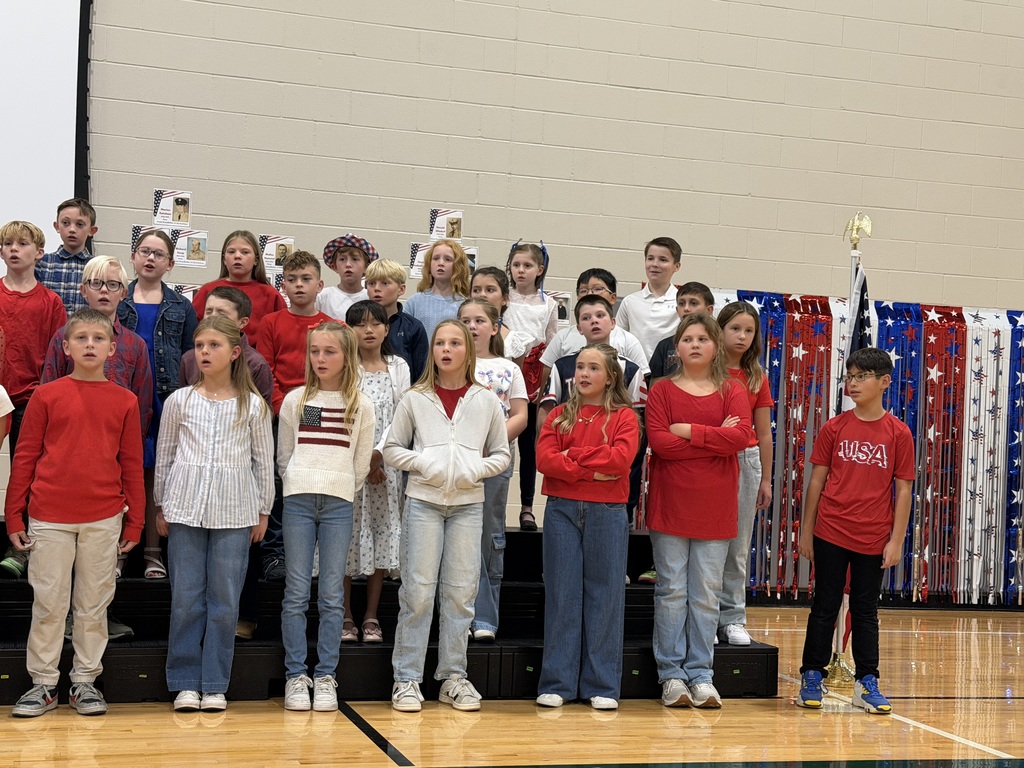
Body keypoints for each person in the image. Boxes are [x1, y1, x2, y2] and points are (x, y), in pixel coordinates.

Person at [7, 309, 144, 718]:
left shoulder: (126, 400)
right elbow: (25, 456)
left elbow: (132, 464)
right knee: (49, 604)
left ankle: (84, 681)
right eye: (80, 338)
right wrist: (14, 514)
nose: (89, 345)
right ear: (65, 347)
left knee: (93, 604)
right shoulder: (47, 396)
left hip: (103, 517)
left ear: (111, 348)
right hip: (49, 516)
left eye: (97, 339)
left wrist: (134, 519)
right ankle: (44, 684)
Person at [383, 320, 510, 713]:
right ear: (433, 351)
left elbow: (502, 456)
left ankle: (453, 677)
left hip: (468, 507)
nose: (447, 349)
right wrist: (425, 463)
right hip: (423, 502)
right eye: (440, 343)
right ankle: (406, 679)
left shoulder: (486, 400)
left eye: (455, 343)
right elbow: (391, 449)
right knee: (418, 593)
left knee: (460, 594)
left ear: (467, 351)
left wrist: (474, 470)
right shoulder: (415, 398)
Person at [155, 316, 274, 713]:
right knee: (187, 600)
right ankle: (186, 682)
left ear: (235, 352)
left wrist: (262, 511)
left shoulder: (253, 405)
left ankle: (215, 682)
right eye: (200, 345)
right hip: (185, 509)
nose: (204, 352)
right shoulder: (179, 401)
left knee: (225, 602)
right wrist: (161, 504)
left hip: (236, 513)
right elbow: (166, 456)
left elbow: (263, 462)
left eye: (214, 346)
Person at [797, 347, 914, 714]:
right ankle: (812, 675)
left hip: (874, 536)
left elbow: (904, 489)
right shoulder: (835, 427)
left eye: (861, 376)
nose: (852, 382)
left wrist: (896, 540)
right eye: (849, 376)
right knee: (824, 605)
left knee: (865, 610)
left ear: (884, 382)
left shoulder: (899, 433)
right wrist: (806, 530)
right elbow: (816, 481)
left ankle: (867, 681)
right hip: (831, 530)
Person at [645, 313, 752, 709]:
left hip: (717, 507)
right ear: (677, 347)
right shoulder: (661, 392)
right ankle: (671, 675)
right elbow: (659, 442)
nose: (694, 344)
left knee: (706, 593)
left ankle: (702, 674)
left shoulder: (733, 389)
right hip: (671, 504)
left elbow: (741, 437)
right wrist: (715, 438)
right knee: (672, 591)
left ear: (714, 347)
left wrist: (688, 430)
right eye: (687, 338)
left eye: (702, 339)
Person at [534, 343, 639, 710]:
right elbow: (545, 460)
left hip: (607, 511)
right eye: (579, 367)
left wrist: (572, 458)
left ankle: (602, 685)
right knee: (563, 595)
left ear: (610, 377)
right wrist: (593, 469)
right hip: (561, 509)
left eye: (593, 368)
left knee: (605, 595)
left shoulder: (625, 417)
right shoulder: (558, 415)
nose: (582, 374)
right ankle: (557, 682)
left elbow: (621, 460)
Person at [278, 322, 375, 712]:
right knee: (296, 593)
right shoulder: (299, 400)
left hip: (338, 503)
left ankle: (326, 675)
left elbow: (362, 461)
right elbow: (286, 454)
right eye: (315, 351)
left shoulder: (360, 405)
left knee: (332, 595)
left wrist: (342, 488)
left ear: (346, 356)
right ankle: (296, 676)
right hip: (299, 500)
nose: (320, 359)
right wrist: (297, 481)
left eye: (329, 352)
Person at [117, 230, 199, 579]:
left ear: (170, 263)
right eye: (144, 251)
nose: (150, 258)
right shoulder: (119, 301)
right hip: (125, 396)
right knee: (121, 473)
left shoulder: (181, 305)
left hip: (165, 398)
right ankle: (118, 552)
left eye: (158, 254)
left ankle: (153, 552)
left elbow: (191, 354)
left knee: (156, 476)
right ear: (134, 257)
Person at [255, 251, 333, 584]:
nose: (299, 286)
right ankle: (274, 554)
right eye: (292, 279)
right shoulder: (271, 322)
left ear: (319, 284)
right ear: (282, 284)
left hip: (316, 412)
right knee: (277, 482)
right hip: (278, 412)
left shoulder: (333, 327)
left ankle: (310, 555)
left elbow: (335, 376)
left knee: (310, 482)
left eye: (305, 279)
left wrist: (309, 413)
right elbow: (266, 369)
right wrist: (282, 410)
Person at [458, 298, 528, 641]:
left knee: (489, 535)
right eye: (465, 321)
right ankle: (460, 614)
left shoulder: (508, 368)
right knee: (460, 537)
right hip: (456, 462)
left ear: (495, 326)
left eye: (479, 320)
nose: (472, 327)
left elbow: (520, 415)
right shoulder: (450, 363)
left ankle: (485, 617)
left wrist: (492, 444)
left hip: (495, 463)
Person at [0, 220, 67, 578]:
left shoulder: (50, 302)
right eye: (7, 243)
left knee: (25, 472)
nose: (14, 249)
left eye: (22, 244)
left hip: (30, 399)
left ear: (38, 253)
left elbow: (56, 355)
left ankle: (20, 546)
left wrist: (46, 397)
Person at [343, 301, 409, 644]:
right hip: (348, 465)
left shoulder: (398, 367)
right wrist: (362, 461)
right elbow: (342, 416)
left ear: (387, 329)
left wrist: (378, 458)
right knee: (345, 536)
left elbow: (401, 417)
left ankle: (370, 615)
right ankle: (345, 615)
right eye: (360, 324)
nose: (368, 330)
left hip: (386, 466)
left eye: (375, 323)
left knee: (382, 533)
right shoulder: (343, 366)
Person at [716, 301, 774, 646]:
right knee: (711, 543)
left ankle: (733, 617)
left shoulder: (756, 376)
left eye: (749, 331)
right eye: (735, 328)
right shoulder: (707, 371)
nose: (741, 336)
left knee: (737, 545)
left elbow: (764, 432)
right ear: (720, 330)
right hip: (712, 456)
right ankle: (706, 618)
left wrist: (766, 478)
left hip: (747, 460)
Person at [504, 243, 558, 533]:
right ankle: (497, 503)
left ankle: (527, 506)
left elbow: (551, 344)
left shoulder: (548, 303)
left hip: (534, 376)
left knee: (528, 448)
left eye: (527, 265)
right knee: (501, 442)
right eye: (516, 265)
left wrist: (543, 382)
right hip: (505, 373)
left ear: (540, 269)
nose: (521, 270)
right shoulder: (504, 298)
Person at [538, 295, 645, 427]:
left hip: (614, 442)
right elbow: (545, 413)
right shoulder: (561, 366)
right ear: (579, 329)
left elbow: (639, 419)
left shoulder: (631, 369)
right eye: (586, 318)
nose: (594, 321)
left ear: (613, 323)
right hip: (568, 440)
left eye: (600, 315)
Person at [180, 286, 273, 406]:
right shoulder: (189, 359)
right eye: (208, 311)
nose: (212, 317)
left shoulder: (256, 364)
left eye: (222, 313)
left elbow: (263, 413)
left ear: (242, 322)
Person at [190, 230, 286, 346]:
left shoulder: (270, 294)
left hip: (253, 360)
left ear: (256, 259)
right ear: (224, 259)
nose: (237, 256)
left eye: (245, 252)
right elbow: (193, 331)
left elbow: (281, 335)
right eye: (231, 252)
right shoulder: (207, 291)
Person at [615, 237, 683, 361]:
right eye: (650, 258)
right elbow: (618, 339)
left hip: (672, 373)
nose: (655, 264)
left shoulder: (683, 302)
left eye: (663, 260)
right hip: (637, 372)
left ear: (676, 266)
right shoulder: (630, 301)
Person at [365, 258, 427, 383]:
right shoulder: (357, 325)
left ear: (401, 289)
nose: (376, 288)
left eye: (385, 283)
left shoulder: (413, 327)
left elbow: (421, 374)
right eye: (371, 283)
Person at [35, 197, 98, 315]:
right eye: (66, 223)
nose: (72, 229)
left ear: (91, 230)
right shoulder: (41, 263)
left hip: (85, 331)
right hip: (50, 332)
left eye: (79, 224)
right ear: (57, 226)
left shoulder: (97, 267)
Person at [403, 239, 471, 339]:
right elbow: (404, 337)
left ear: (458, 266)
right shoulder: (414, 302)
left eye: (447, 259)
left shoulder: (465, 304)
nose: (440, 263)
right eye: (435, 258)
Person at [648, 282, 715, 381]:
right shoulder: (664, 345)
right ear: (677, 309)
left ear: (709, 309)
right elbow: (654, 384)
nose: (686, 308)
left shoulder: (720, 343)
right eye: (681, 304)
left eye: (693, 303)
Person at [470, 266, 530, 365]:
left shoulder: (513, 341)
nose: (482, 295)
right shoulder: (461, 333)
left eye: (490, 290)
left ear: (505, 299)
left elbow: (517, 376)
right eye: (476, 290)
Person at [316, 233, 376, 319]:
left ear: (366, 267)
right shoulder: (323, 297)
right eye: (342, 259)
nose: (348, 264)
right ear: (334, 267)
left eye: (355, 259)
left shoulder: (371, 297)